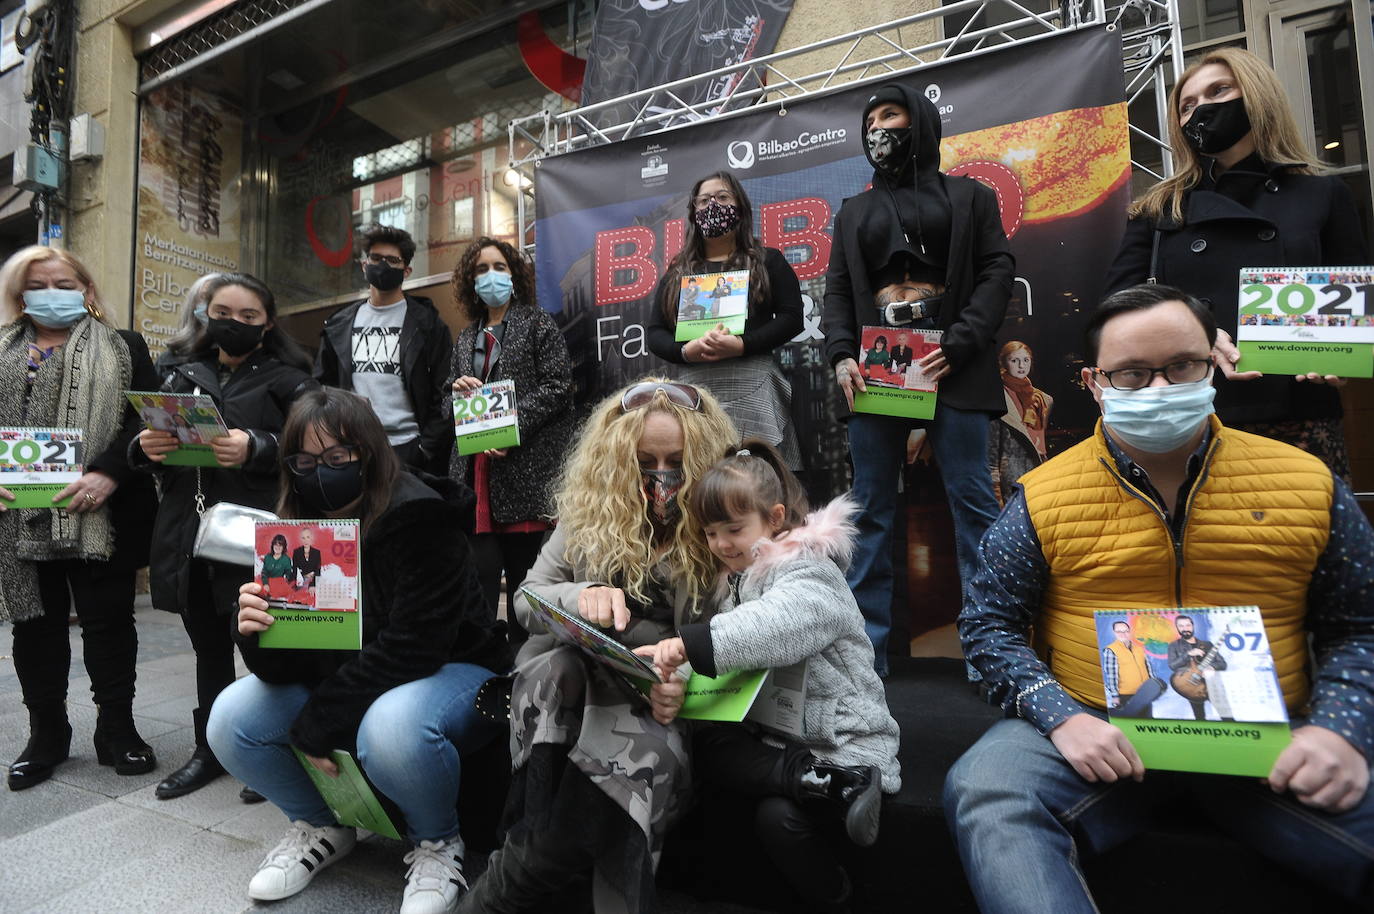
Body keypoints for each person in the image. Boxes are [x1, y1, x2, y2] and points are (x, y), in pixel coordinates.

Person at [943, 284, 1374, 913]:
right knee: (988, 791)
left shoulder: (1306, 483)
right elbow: (988, 625)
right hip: (1100, 728)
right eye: (1132, 374)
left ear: (1213, 363)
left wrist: (1340, 729)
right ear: (1094, 382)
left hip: (1277, 737)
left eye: (1181, 367)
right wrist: (1061, 717)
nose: (1160, 390)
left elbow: (1359, 627)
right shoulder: (1042, 496)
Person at [209, 387, 511, 912]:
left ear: (368, 454)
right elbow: (291, 661)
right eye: (303, 460)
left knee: (390, 727)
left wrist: (320, 720)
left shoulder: (420, 516)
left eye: (337, 458)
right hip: (359, 673)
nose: (319, 471)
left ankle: (437, 843)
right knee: (232, 719)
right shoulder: (295, 530)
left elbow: (416, 645)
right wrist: (254, 631)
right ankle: (322, 827)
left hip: (457, 668)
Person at [457, 379, 738, 914]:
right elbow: (526, 600)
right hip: (576, 687)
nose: (662, 475)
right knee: (553, 669)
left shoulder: (726, 521)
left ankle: (515, 875)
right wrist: (579, 593)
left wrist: (688, 683)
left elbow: (745, 639)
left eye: (677, 459)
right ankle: (531, 855)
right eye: (644, 460)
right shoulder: (588, 513)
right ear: (616, 460)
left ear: (702, 457)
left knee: (632, 764)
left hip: (663, 700)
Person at [635, 440, 901, 914]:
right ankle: (820, 788)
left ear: (775, 518)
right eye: (711, 532)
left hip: (842, 735)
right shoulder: (740, 576)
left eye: (733, 529)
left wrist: (686, 645)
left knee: (765, 805)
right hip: (788, 739)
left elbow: (772, 626)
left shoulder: (809, 571)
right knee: (732, 771)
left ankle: (838, 797)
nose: (720, 544)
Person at [1103, 47, 1369, 480]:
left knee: (1301, 539)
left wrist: (1341, 354)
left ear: (1257, 95)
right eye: (1187, 106)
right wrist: (1197, 333)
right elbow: (1117, 303)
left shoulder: (1324, 195)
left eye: (1219, 91)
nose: (1200, 110)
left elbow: (1352, 301)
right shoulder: (1160, 208)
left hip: (1300, 409)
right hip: (1194, 407)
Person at [822, 84, 1014, 675]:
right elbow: (834, 291)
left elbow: (997, 268)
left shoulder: (970, 196)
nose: (878, 126)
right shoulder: (853, 211)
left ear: (920, 122)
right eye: (870, 118)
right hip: (879, 365)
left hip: (949, 361)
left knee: (974, 504)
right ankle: (864, 662)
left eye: (890, 114)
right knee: (871, 513)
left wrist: (960, 341)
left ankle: (993, 653)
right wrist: (840, 355)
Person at [134, 272, 317, 801]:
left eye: (248, 317)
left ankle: (276, 746)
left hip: (263, 538)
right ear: (204, 314)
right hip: (190, 531)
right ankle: (210, 750)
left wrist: (259, 446)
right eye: (222, 313)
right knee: (208, 648)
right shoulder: (176, 373)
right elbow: (137, 448)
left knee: (270, 647)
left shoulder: (291, 378)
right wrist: (145, 448)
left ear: (268, 323)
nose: (233, 324)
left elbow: (324, 441)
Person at [1, 246, 160, 790]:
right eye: (37, 284)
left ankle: (117, 729)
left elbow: (146, 419)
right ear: (20, 296)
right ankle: (47, 733)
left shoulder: (125, 347)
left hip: (102, 512)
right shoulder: (1, 350)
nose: (51, 292)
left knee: (109, 623)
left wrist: (108, 474)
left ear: (87, 290)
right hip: (19, 520)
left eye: (63, 282)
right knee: (34, 627)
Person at [448, 236, 575, 648]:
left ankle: (526, 667)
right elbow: (444, 406)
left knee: (524, 583)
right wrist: (457, 390)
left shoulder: (537, 323)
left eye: (499, 267)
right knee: (479, 581)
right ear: (471, 282)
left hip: (524, 470)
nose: (491, 276)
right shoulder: (465, 338)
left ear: (515, 274)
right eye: (481, 269)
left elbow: (559, 388)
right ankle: (485, 664)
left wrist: (512, 430)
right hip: (475, 476)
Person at [645, 171, 805, 468]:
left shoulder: (768, 260)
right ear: (693, 213)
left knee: (762, 477)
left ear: (740, 207)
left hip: (755, 387)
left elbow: (792, 317)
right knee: (701, 480)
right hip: (696, 394)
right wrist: (684, 351)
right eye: (703, 201)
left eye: (722, 198)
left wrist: (742, 345)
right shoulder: (677, 272)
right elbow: (655, 332)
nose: (712, 206)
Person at [315, 223, 454, 473]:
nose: (383, 265)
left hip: (409, 449)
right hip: (351, 448)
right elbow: (322, 387)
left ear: (407, 270)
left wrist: (425, 448)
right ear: (364, 264)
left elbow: (445, 392)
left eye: (392, 260)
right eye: (376, 258)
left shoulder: (428, 325)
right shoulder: (339, 324)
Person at [988, 340, 1054, 505]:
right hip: (1010, 478)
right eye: (1014, 360)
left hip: (1040, 473)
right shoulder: (996, 398)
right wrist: (996, 498)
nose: (1021, 365)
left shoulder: (1042, 399)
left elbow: (1041, 443)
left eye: (1026, 360)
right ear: (1004, 362)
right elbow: (991, 454)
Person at [1166, 613, 1227, 721]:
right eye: (1181, 626)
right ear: (1177, 628)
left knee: (1227, 715)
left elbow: (1222, 664)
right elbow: (1172, 665)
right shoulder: (1174, 646)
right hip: (1192, 687)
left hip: (1212, 686)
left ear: (1193, 626)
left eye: (1188, 625)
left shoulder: (1207, 644)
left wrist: (1212, 667)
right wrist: (1188, 654)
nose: (1185, 628)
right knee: (1200, 718)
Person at [1101, 621, 1155, 719]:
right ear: (1114, 632)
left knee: (1149, 720)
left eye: (1126, 631)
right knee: (1133, 722)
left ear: (1130, 632)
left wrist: (1153, 686)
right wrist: (1115, 696)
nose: (1123, 634)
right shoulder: (1111, 650)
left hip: (1145, 692)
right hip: (1126, 695)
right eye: (1119, 632)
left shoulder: (1139, 648)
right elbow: (1112, 675)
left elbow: (1148, 668)